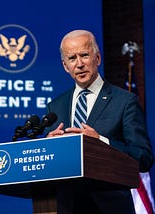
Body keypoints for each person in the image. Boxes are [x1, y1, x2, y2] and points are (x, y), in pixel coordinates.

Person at [46, 29, 154, 214]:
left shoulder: (125, 101)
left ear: (98, 58)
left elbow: (143, 158)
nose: (79, 64)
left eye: (84, 55)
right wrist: (48, 148)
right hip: (67, 206)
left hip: (110, 207)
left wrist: (101, 142)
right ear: (65, 66)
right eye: (72, 59)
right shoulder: (55, 106)